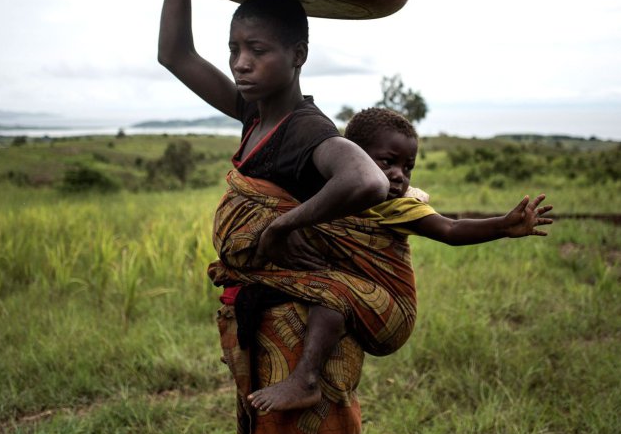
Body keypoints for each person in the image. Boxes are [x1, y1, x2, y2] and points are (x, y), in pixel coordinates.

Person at [158, 0, 389, 434]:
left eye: (257, 51)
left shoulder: (304, 129)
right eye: (235, 50)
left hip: (300, 324)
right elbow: (174, 54)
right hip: (262, 318)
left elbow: (367, 180)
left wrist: (283, 226)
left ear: (298, 55)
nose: (241, 62)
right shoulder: (254, 114)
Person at [231, 107, 553, 413]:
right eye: (387, 162)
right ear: (352, 158)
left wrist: (502, 226)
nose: (398, 176)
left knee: (329, 294)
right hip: (361, 297)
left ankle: (306, 380)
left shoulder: (398, 208)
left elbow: (450, 229)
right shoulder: (332, 196)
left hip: (393, 310)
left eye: (407, 167)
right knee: (291, 287)